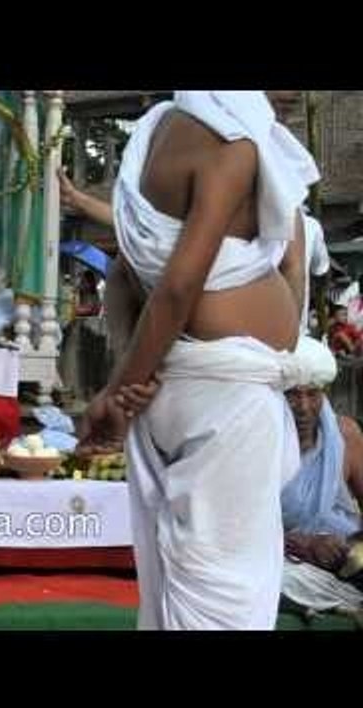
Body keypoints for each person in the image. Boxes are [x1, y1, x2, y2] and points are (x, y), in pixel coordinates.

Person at [80, 91, 321, 630]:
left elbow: (130, 277)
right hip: (223, 397)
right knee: (226, 593)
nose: (292, 94)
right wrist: (120, 392)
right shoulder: (232, 146)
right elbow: (176, 289)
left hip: (183, 383)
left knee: (192, 579)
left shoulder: (160, 128)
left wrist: (128, 379)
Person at [280, 337, 362, 618]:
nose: (303, 407)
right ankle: (339, 603)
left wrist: (351, 548)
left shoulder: (346, 434)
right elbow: (235, 531)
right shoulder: (255, 443)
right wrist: (302, 543)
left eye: (312, 394)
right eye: (292, 394)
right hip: (285, 562)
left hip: (346, 560)